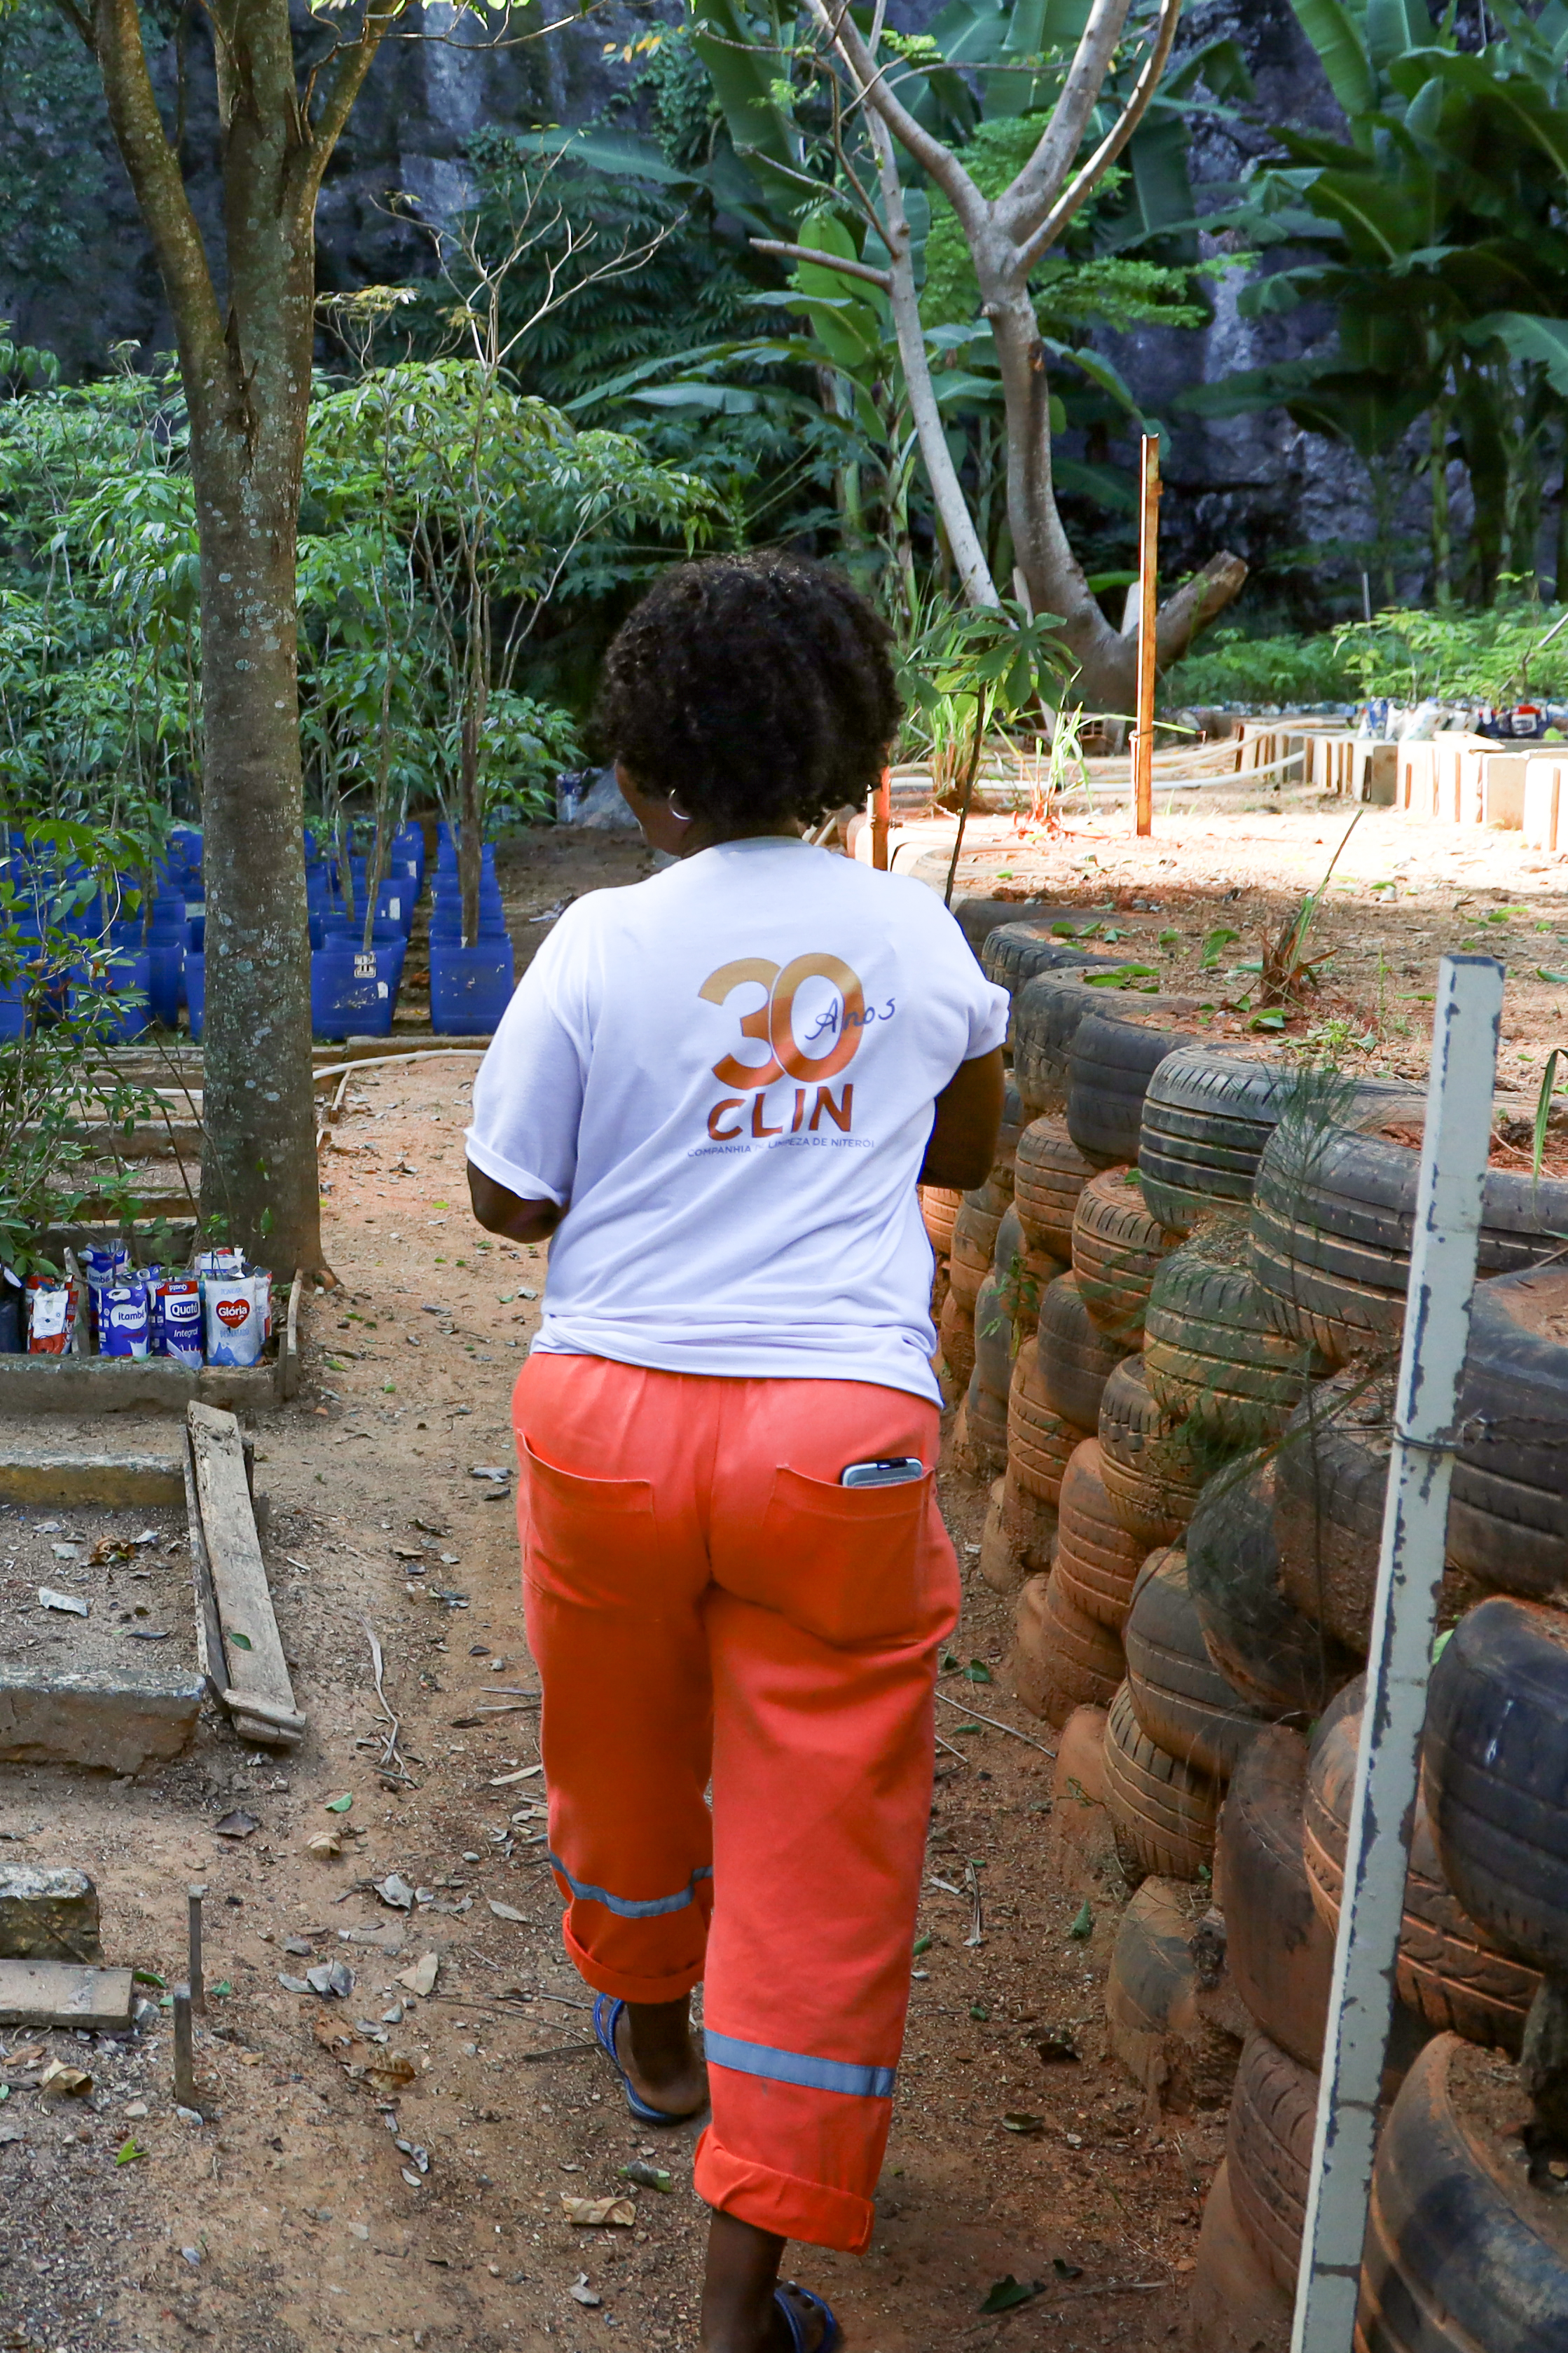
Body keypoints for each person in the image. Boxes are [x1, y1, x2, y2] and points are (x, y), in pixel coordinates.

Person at [462, 550, 1008, 2353]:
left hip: (611, 1419)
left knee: (615, 1738)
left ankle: (644, 2019)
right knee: (827, 1837)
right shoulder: (910, 930)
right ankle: (738, 2295)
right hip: (837, 1441)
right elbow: (970, 1150)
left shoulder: (605, 937)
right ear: (850, 755)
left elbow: (500, 1195)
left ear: (639, 775)